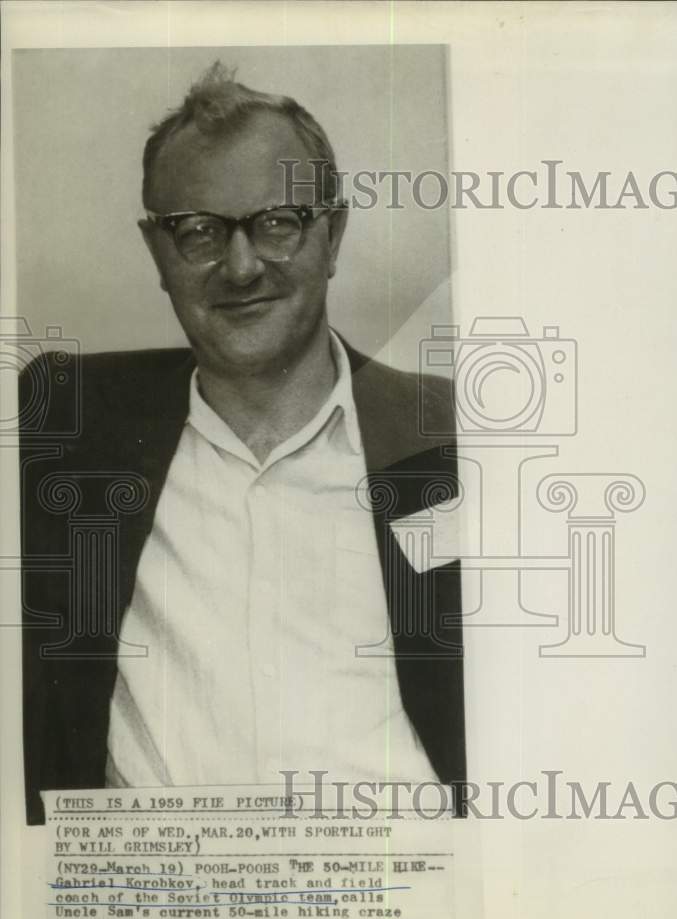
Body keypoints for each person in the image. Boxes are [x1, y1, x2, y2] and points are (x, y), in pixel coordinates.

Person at [19, 63, 465, 825]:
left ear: (332, 234)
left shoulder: (453, 443)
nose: (240, 266)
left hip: (406, 912)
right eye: (197, 231)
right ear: (157, 251)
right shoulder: (64, 425)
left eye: (277, 222)